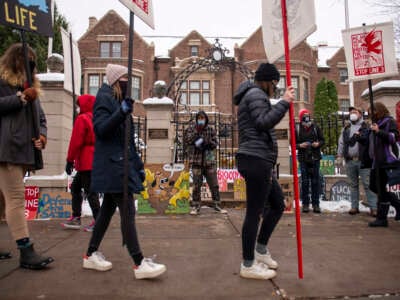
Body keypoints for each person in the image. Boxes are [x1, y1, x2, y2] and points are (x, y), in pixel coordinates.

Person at [83, 64, 166, 279]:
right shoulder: (104, 99)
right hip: (113, 166)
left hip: (121, 164)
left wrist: (138, 167)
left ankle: (90, 254)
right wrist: (120, 113)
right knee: (127, 211)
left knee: (106, 212)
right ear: (115, 81)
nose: (128, 83)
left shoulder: (121, 103)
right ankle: (139, 263)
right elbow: (100, 130)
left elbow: (127, 143)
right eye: (125, 79)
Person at [233, 62, 295, 280]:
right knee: (253, 213)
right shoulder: (256, 95)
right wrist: (284, 103)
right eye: (275, 83)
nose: (276, 88)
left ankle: (260, 249)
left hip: (259, 159)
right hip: (256, 159)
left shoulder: (254, 95)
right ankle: (248, 264)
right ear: (268, 81)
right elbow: (263, 123)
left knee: (278, 204)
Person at [0, 43, 54, 269]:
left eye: (32, 60)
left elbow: (41, 118)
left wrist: (42, 136)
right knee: (15, 198)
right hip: (7, 148)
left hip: (23, 150)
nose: (30, 63)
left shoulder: (32, 87)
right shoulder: (4, 83)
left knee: (2, 202)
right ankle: (25, 250)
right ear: (15, 60)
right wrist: (21, 98)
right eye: (26, 59)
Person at [61, 94, 100, 231]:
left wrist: (69, 160)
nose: (77, 108)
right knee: (76, 187)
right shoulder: (96, 119)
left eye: (79, 105)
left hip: (85, 160)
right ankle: (77, 216)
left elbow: (75, 141)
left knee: (90, 191)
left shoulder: (82, 119)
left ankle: (98, 220)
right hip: (94, 159)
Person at [184, 111, 227, 215]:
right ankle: (195, 206)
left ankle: (217, 204)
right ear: (197, 119)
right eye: (199, 118)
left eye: (203, 118)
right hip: (196, 161)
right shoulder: (192, 128)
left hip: (209, 162)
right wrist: (197, 136)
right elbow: (189, 140)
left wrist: (206, 142)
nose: (201, 120)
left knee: (214, 185)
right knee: (196, 185)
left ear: (206, 119)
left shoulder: (210, 129)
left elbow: (215, 143)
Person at [337, 106, 377, 216]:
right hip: (350, 161)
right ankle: (354, 207)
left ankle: (374, 207)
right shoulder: (346, 128)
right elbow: (341, 142)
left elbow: (371, 142)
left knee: (368, 184)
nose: (352, 114)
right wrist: (339, 155)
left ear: (360, 114)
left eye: (354, 112)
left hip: (363, 160)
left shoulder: (366, 126)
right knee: (353, 185)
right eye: (351, 113)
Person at [367, 102, 400, 227]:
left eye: (373, 111)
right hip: (376, 160)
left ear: (379, 110)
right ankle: (397, 205)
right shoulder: (375, 124)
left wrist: (379, 131)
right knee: (374, 187)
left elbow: (393, 137)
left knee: (380, 189)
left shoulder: (389, 122)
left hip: (385, 160)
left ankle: (382, 217)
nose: (371, 114)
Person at [296, 109, 324, 213]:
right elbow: (293, 143)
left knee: (315, 181)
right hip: (303, 158)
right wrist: (300, 145)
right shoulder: (297, 128)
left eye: (308, 115)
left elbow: (322, 140)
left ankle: (316, 204)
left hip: (315, 157)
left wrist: (318, 144)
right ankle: (305, 204)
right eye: (304, 115)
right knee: (305, 182)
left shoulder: (316, 127)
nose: (306, 117)